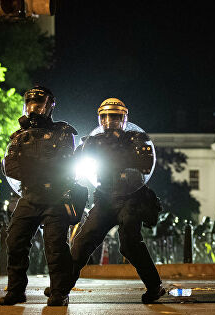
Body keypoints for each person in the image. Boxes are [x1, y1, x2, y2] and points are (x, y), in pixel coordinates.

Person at [58, 98, 164, 303]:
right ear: (100, 118)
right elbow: (74, 162)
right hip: (105, 199)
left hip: (130, 199)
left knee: (130, 243)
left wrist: (122, 164)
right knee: (82, 241)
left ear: (124, 118)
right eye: (106, 117)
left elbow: (145, 166)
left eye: (115, 117)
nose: (110, 121)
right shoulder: (93, 141)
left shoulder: (136, 140)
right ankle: (61, 289)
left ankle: (154, 286)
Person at [0, 86, 79, 306]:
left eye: (39, 104)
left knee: (55, 247)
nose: (34, 109)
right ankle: (16, 291)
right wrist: (41, 168)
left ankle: (59, 293)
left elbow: (64, 163)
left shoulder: (62, 132)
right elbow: (10, 167)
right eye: (30, 104)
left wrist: (33, 168)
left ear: (50, 106)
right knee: (15, 241)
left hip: (55, 196)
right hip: (30, 196)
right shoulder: (18, 136)